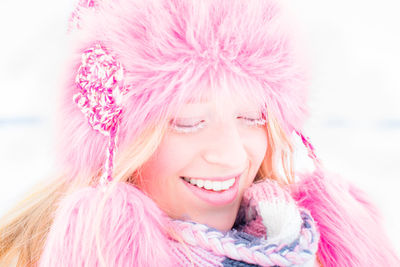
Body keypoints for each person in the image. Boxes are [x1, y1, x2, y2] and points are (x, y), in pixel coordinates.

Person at [0, 0, 399, 266]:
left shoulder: (299, 244)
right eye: (189, 121)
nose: (232, 156)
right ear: (116, 138)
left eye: (251, 118)